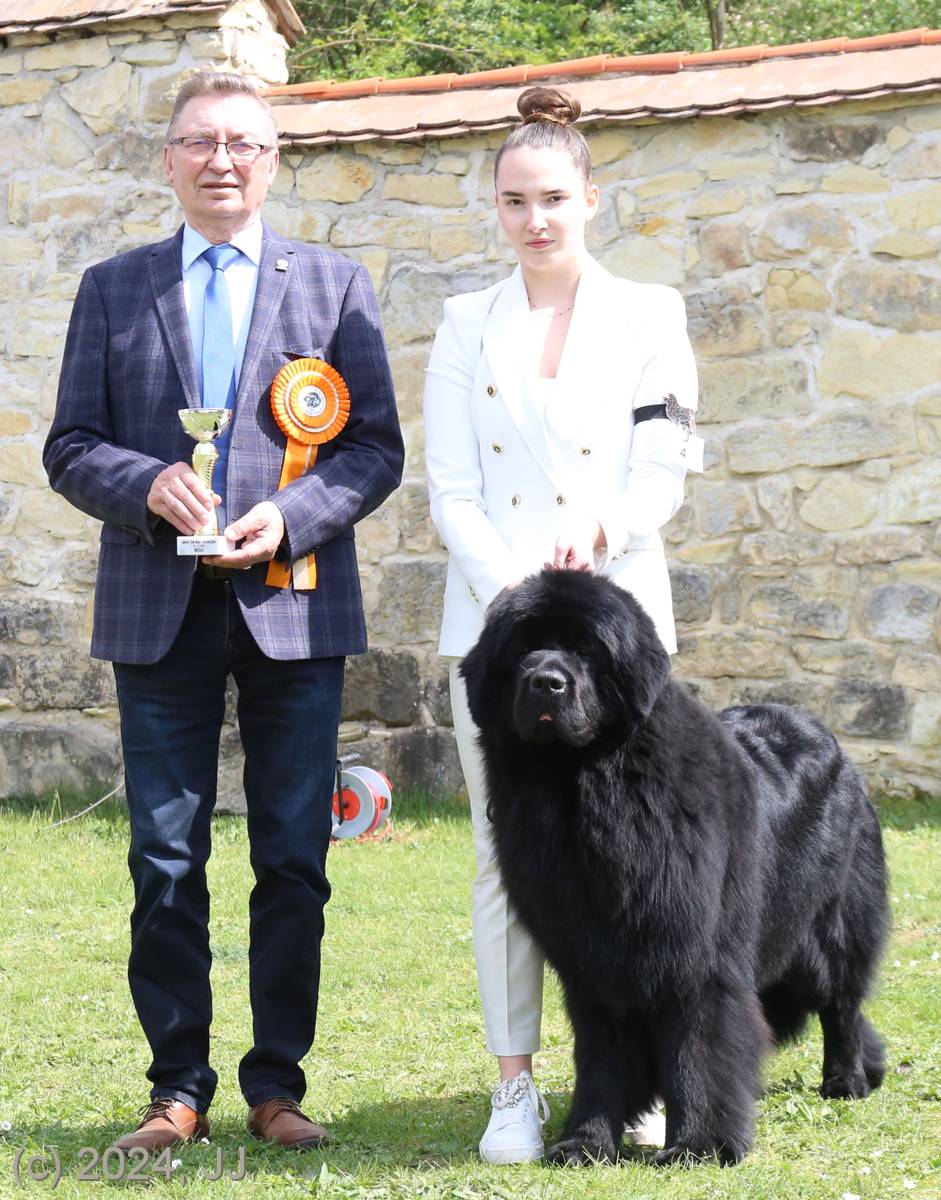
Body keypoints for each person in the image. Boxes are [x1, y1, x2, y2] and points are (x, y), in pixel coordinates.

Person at [43, 72, 403, 1152]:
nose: (222, 160)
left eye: (243, 142)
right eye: (200, 141)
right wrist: (146, 483)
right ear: (168, 160)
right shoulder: (113, 287)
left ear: (273, 161)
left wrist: (289, 516)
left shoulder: (333, 285)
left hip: (293, 606)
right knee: (163, 857)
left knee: (293, 855)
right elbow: (69, 446)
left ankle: (276, 1087)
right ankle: (176, 1091)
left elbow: (373, 451)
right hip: (156, 607)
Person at [423, 86, 702, 1164]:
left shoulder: (650, 313)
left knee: (642, 854)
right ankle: (513, 1086)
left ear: (589, 197)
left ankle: (643, 1077)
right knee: (507, 861)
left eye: (550, 198)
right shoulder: (464, 323)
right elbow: (451, 489)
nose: (533, 219)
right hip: (495, 636)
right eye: (513, 201)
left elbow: (663, 464)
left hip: (618, 632)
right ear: (494, 208)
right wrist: (517, 604)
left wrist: (605, 525)